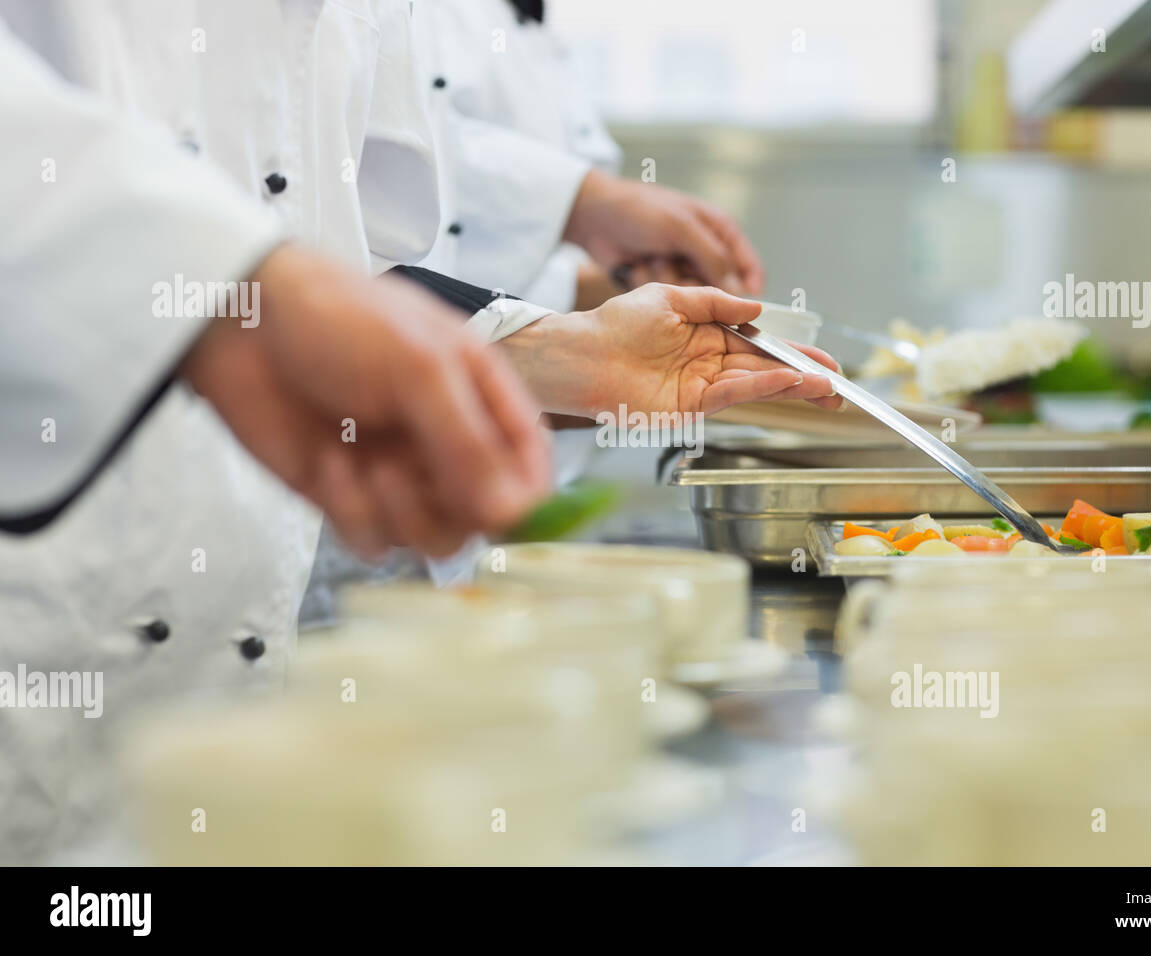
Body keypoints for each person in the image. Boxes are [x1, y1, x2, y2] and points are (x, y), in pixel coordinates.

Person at [0, 1, 838, 861]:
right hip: (51, 615)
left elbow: (353, 262)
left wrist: (561, 350)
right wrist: (241, 291)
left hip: (245, 635)